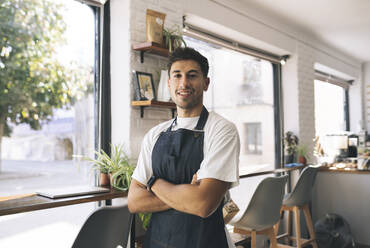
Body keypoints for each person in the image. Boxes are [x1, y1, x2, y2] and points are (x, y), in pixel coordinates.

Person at [128, 47, 240, 248]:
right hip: (157, 242)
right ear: (169, 84)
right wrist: (187, 194)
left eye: (192, 75)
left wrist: (153, 183)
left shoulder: (222, 130)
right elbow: (134, 201)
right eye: (177, 76)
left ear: (206, 83)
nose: (184, 83)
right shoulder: (154, 135)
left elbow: (203, 204)